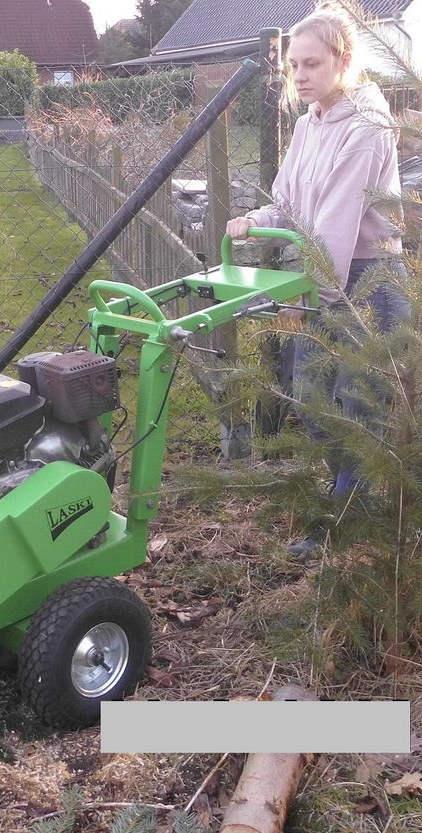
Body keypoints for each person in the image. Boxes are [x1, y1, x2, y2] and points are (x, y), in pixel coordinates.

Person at [226, 1, 409, 556]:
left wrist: (303, 300)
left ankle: (351, 520)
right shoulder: (309, 124)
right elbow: (289, 204)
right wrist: (256, 221)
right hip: (321, 277)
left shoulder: (367, 126)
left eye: (311, 64)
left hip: (366, 281)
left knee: (355, 405)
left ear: (343, 60)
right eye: (293, 66)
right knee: (310, 397)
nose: (300, 76)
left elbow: (334, 229)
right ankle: (348, 499)